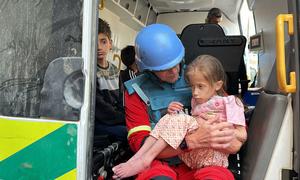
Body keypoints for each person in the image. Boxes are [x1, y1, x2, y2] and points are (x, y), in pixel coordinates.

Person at [114, 23, 247, 179]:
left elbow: (235, 135)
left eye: (175, 63)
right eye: (164, 69)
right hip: (160, 162)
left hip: (205, 161)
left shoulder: (199, 75)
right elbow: (140, 144)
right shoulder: (136, 92)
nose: (174, 71)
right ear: (148, 68)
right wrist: (191, 142)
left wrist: (231, 137)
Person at [95, 18, 127, 142]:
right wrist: (124, 119)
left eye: (103, 42)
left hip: (115, 119)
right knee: (128, 132)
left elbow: (122, 100)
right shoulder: (89, 72)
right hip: (98, 123)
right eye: (94, 42)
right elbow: (100, 109)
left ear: (110, 43)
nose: (99, 47)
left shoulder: (115, 71)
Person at [206, 7, 249, 97]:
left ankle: (240, 95)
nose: (217, 25)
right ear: (209, 20)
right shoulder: (204, 34)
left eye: (218, 23)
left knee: (237, 56)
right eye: (215, 23)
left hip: (228, 80)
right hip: (211, 71)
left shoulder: (225, 30)